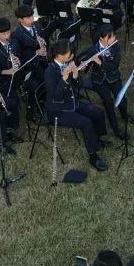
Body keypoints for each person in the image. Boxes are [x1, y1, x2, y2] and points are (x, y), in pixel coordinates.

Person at [43, 38, 109, 171]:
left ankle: (96, 139)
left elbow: (78, 85)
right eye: (69, 53)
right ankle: (93, 156)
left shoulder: (67, 63)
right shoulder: (50, 71)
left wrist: (75, 74)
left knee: (98, 112)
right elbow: (56, 96)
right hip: (58, 110)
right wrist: (64, 79)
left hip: (71, 101)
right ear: (59, 55)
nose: (71, 55)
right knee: (86, 122)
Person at [81, 25, 134, 139]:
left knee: (121, 99)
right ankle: (116, 130)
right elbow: (86, 69)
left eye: (113, 36)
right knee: (108, 103)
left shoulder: (116, 46)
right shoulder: (92, 50)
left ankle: (125, 116)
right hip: (99, 80)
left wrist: (100, 63)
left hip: (113, 76)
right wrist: (84, 65)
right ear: (102, 39)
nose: (113, 39)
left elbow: (114, 66)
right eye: (109, 38)